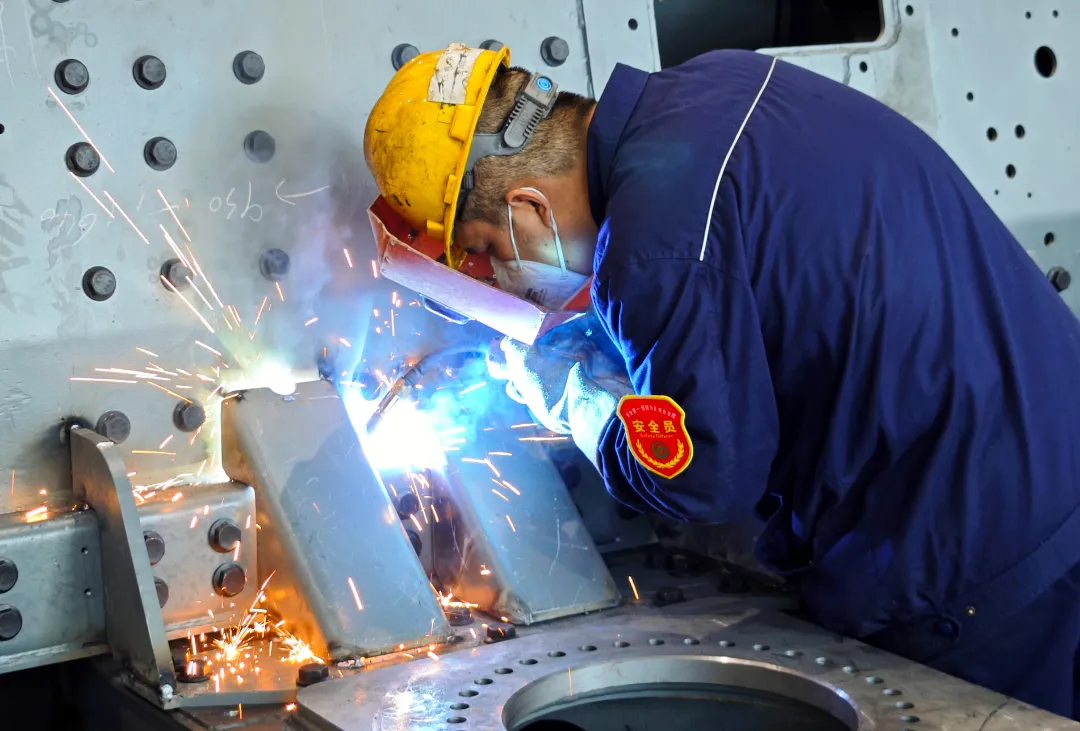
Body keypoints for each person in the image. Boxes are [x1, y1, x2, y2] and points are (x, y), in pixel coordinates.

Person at [364, 44, 1080, 718]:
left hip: (976, 553)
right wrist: (631, 340)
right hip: (1051, 452)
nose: (503, 279)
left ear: (529, 207)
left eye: (489, 250)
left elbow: (701, 478)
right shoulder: (713, 85)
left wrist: (577, 399)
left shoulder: (651, 248)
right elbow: (759, 284)